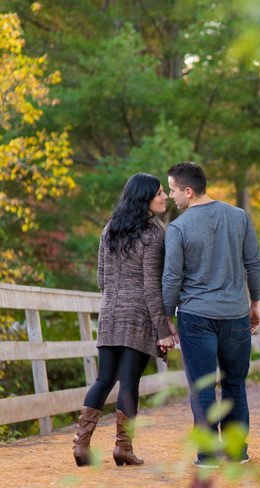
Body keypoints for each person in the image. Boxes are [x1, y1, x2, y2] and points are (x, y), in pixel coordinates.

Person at [161, 162, 260, 466]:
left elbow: (171, 278)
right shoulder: (239, 217)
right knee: (234, 383)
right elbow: (253, 264)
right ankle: (235, 450)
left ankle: (207, 453)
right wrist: (255, 304)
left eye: (173, 189)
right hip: (235, 314)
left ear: (188, 191)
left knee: (203, 385)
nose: (170, 194)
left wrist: (167, 315)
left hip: (196, 316)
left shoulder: (179, 227)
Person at [73, 173, 176, 467]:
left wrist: (115, 300)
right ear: (144, 197)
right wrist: (162, 329)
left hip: (109, 311)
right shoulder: (153, 233)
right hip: (138, 314)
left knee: (104, 378)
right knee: (129, 382)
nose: (164, 197)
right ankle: (123, 447)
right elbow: (150, 286)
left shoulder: (110, 229)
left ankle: (81, 446)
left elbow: (101, 279)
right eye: (158, 193)